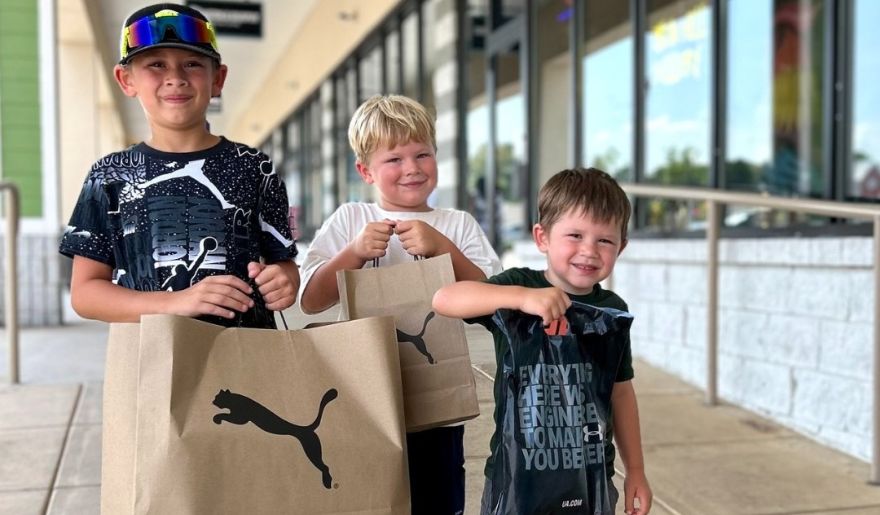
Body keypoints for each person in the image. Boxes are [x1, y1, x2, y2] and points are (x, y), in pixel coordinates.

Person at [298, 94, 502, 514]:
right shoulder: (350, 218)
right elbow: (312, 299)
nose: (412, 168)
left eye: (422, 154)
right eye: (394, 159)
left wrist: (445, 250)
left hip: (436, 396)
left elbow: (491, 299)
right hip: (362, 391)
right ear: (365, 170)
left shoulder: (456, 224)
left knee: (438, 494)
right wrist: (353, 253)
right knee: (368, 493)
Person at [59, 3, 299, 328]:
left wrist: (284, 282)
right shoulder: (108, 175)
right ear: (126, 80)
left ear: (218, 79)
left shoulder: (256, 168)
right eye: (156, 65)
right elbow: (85, 293)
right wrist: (177, 302)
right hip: (151, 365)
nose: (175, 78)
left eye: (192, 64)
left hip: (249, 363)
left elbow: (284, 263)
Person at [433, 167, 653, 515]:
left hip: (592, 478)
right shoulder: (519, 286)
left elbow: (621, 392)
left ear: (621, 247)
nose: (589, 250)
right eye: (575, 235)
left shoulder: (611, 312)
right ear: (542, 237)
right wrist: (519, 298)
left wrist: (636, 471)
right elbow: (444, 299)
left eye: (604, 240)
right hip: (516, 478)